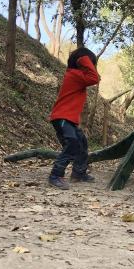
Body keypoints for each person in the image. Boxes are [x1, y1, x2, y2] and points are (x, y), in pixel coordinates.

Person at [48, 47, 101, 190]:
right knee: (72, 143)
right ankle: (55, 175)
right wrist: (83, 59)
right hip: (62, 117)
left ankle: (78, 173)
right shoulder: (73, 75)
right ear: (82, 63)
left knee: (81, 142)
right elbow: (94, 78)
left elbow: (95, 77)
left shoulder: (77, 76)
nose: (91, 67)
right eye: (90, 64)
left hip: (69, 119)